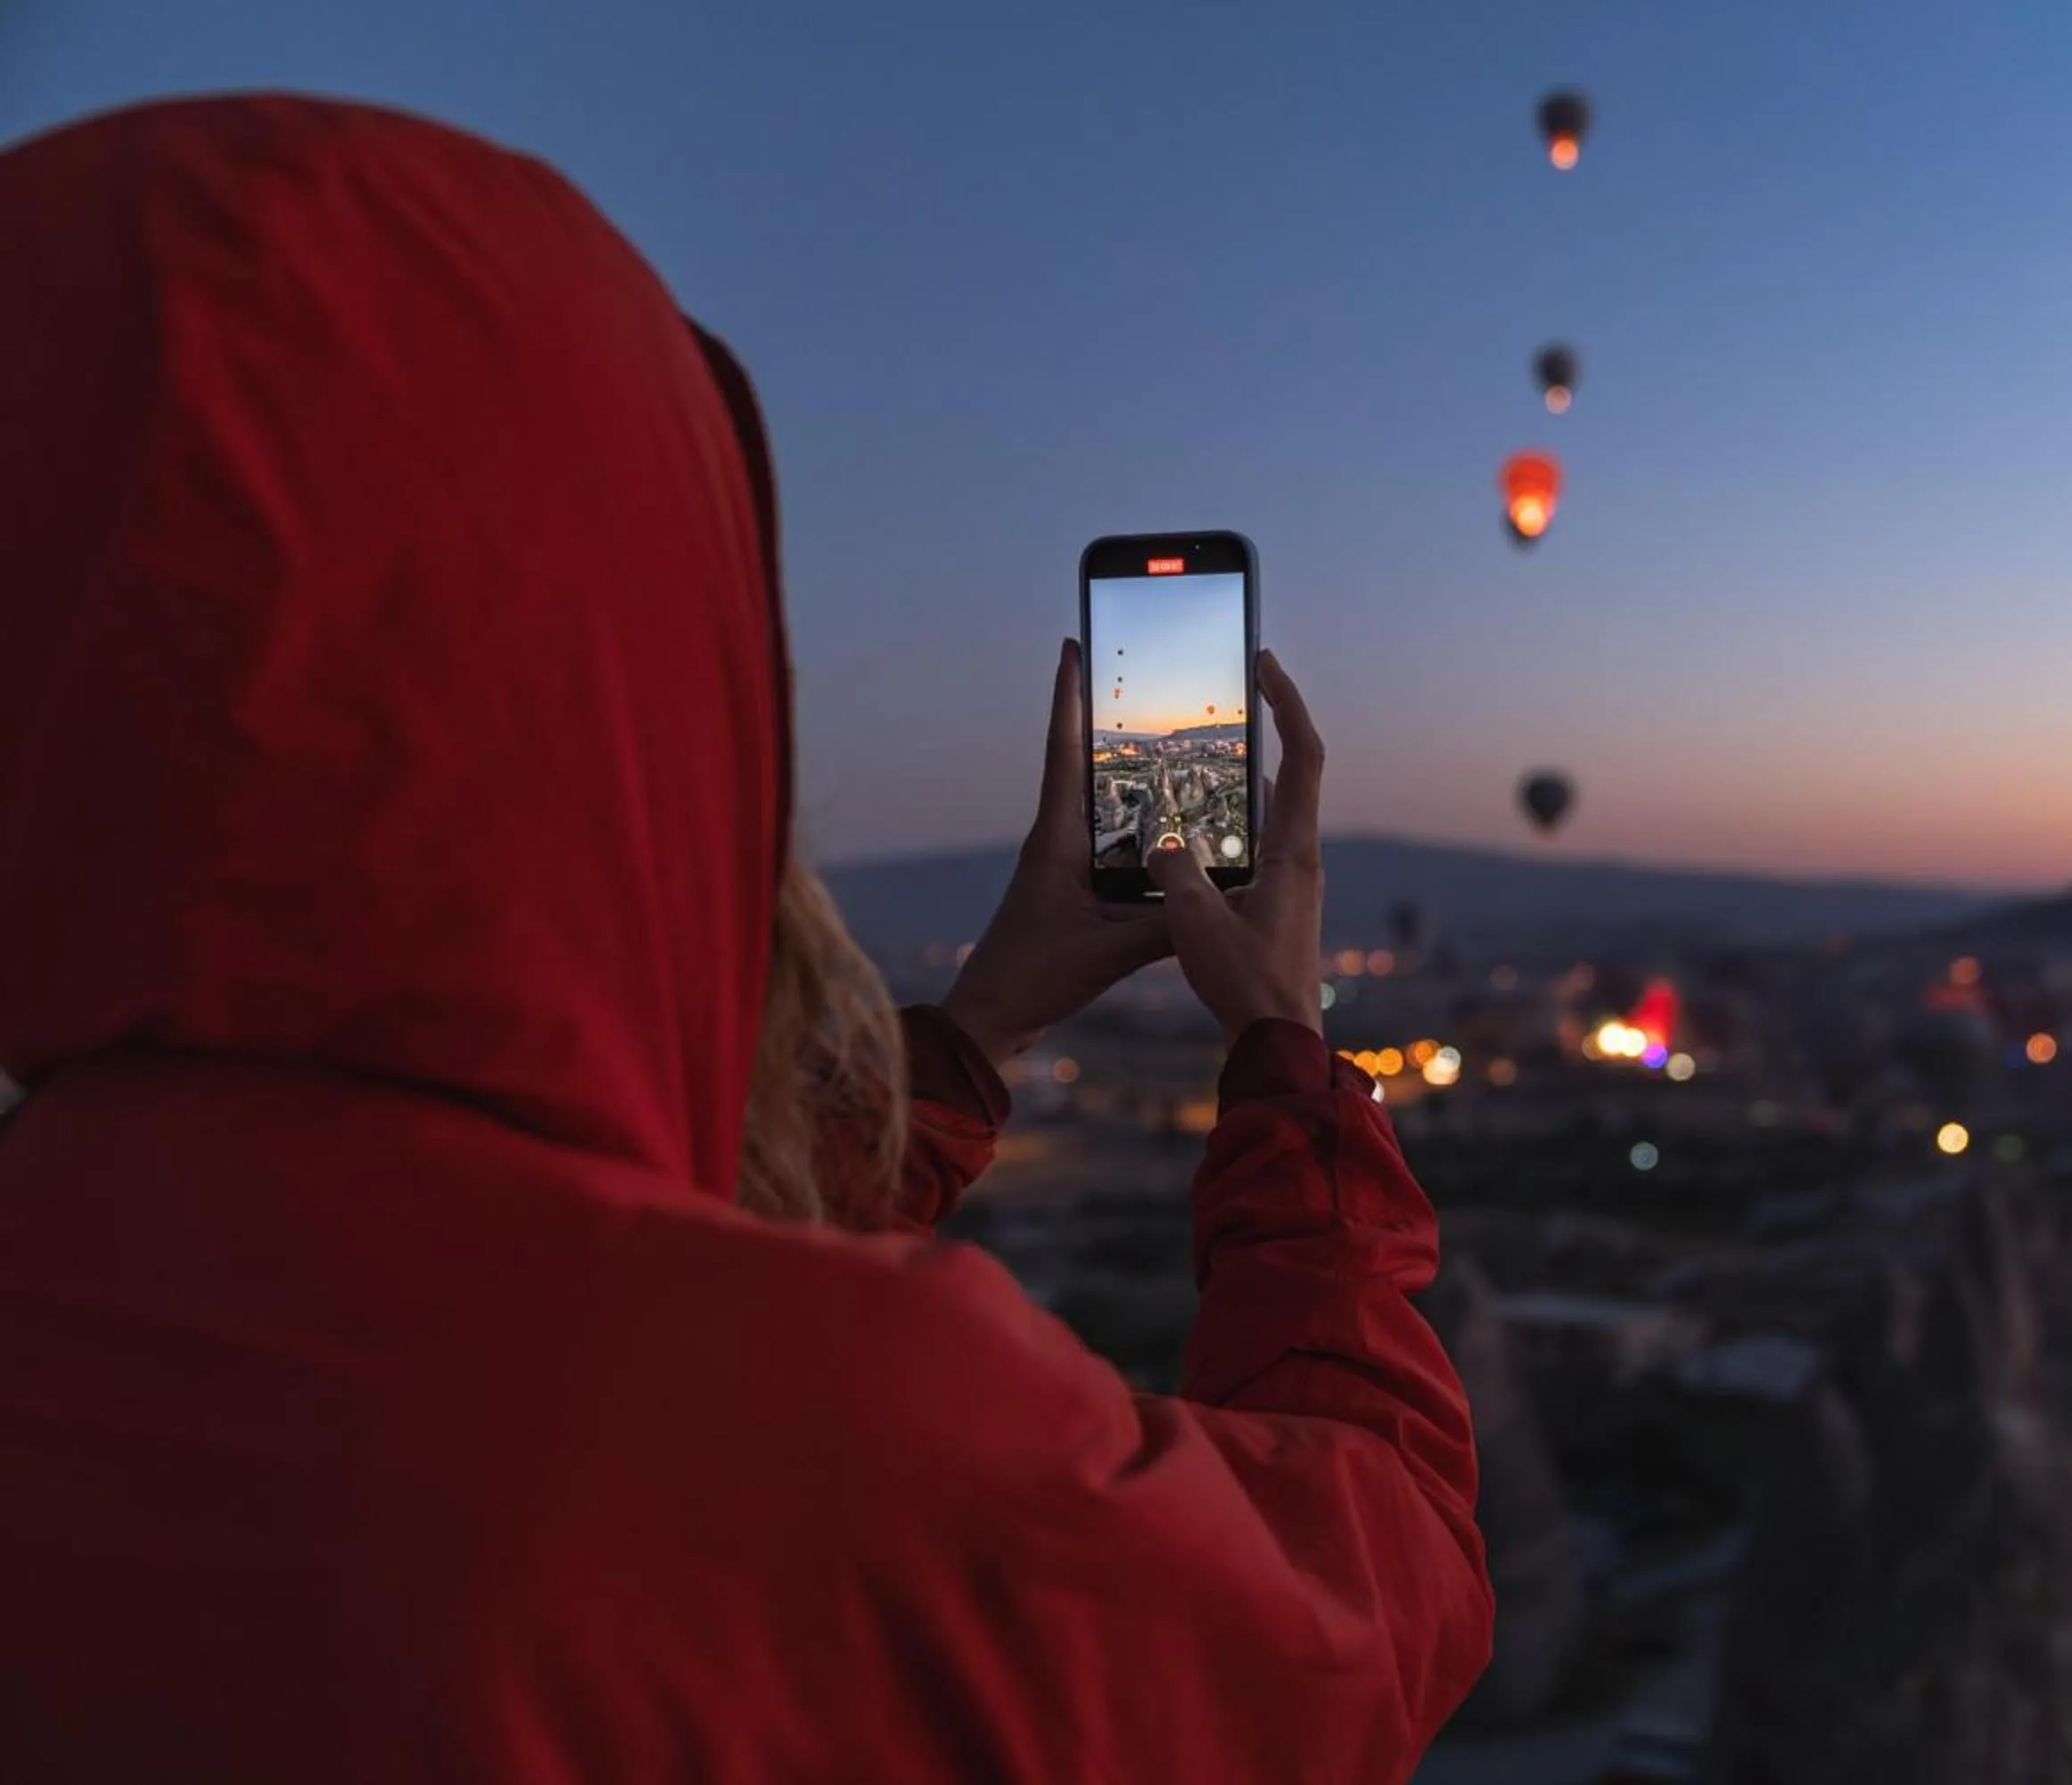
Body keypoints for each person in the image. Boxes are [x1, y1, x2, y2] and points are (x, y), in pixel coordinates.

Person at [0, 95, 1492, 1782]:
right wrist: (1287, 1066)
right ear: (632, 656)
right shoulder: (837, 1443)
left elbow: (541, 1274)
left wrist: (976, 1029)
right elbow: (1363, 1602)